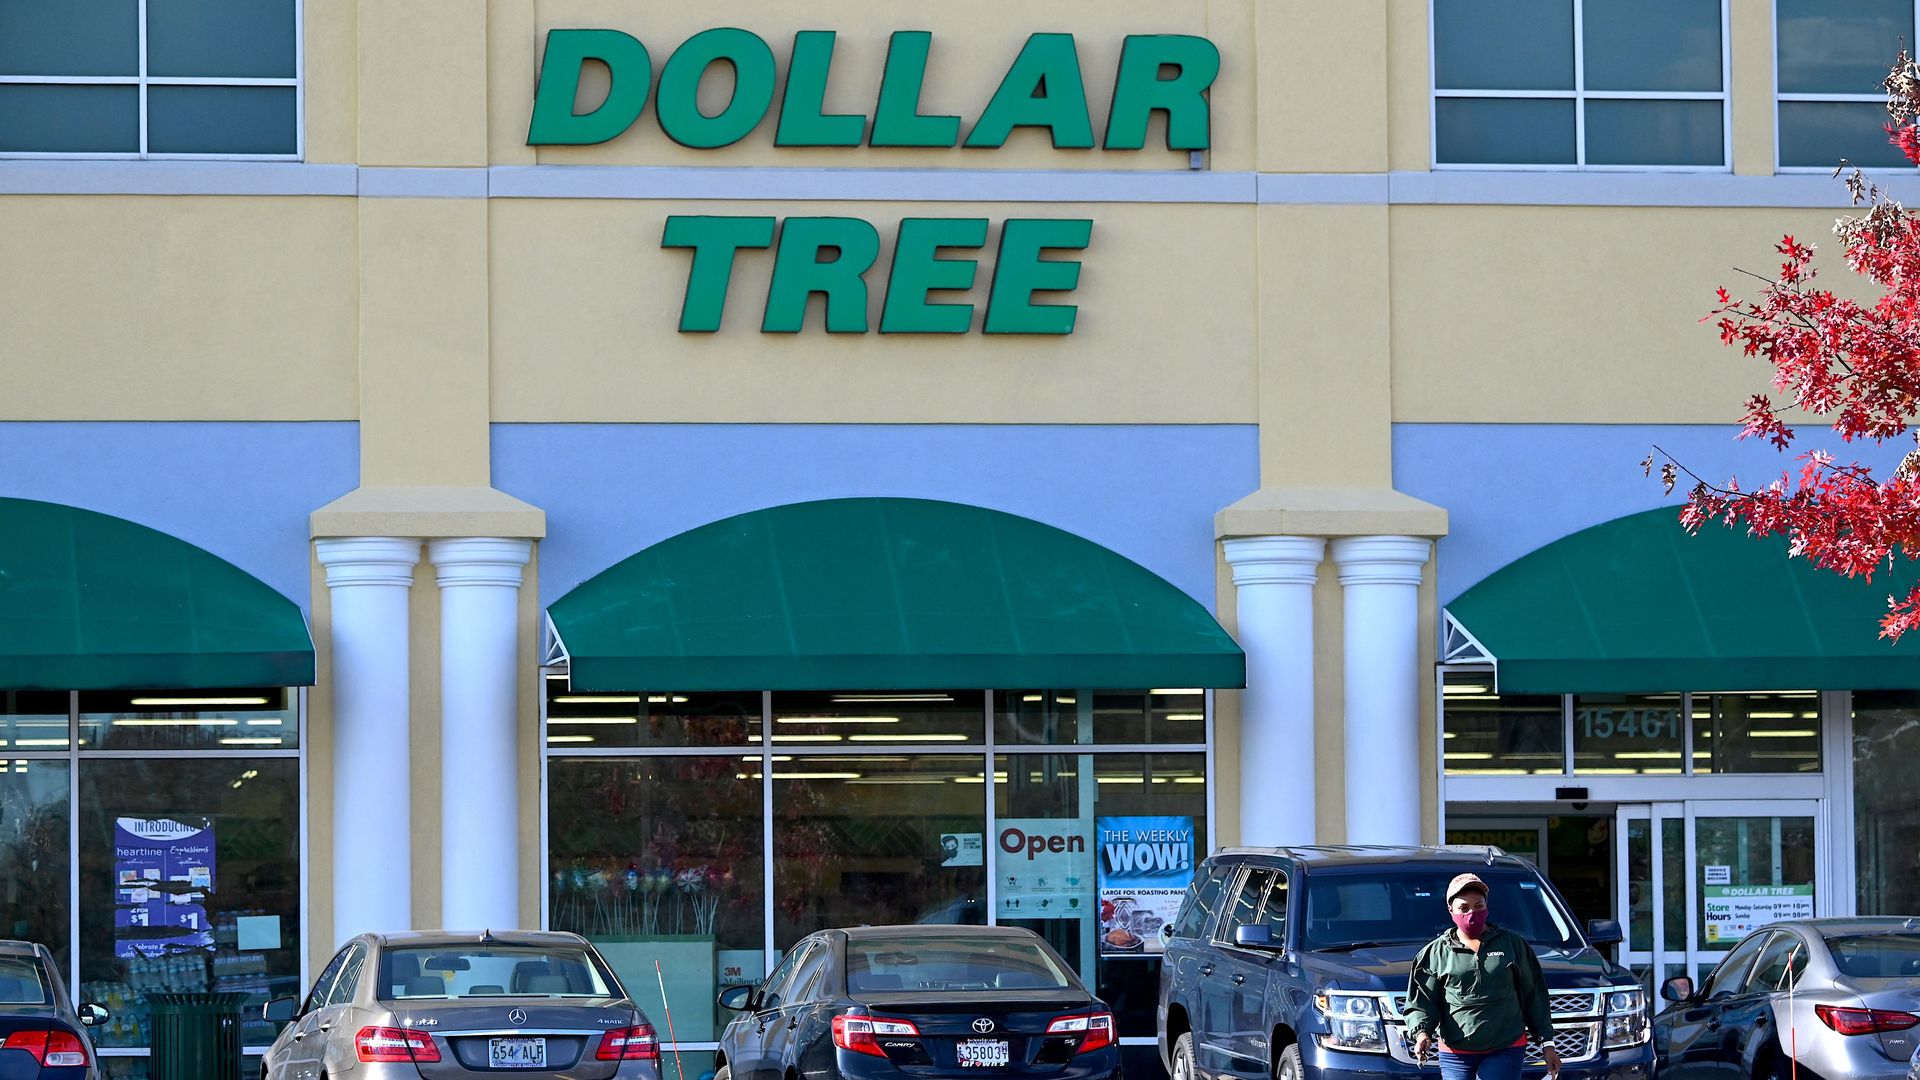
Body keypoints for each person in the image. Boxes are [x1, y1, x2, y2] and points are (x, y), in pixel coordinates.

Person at [1403, 873, 1560, 1080]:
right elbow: (1422, 1001)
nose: (1472, 913)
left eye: (1479, 906)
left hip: (1506, 1047)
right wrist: (1422, 1033)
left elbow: (1534, 996)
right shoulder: (1435, 953)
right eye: (1464, 908)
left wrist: (1547, 1044)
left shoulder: (1513, 945)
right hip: (1455, 1052)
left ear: (1487, 907)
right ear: (1451, 910)